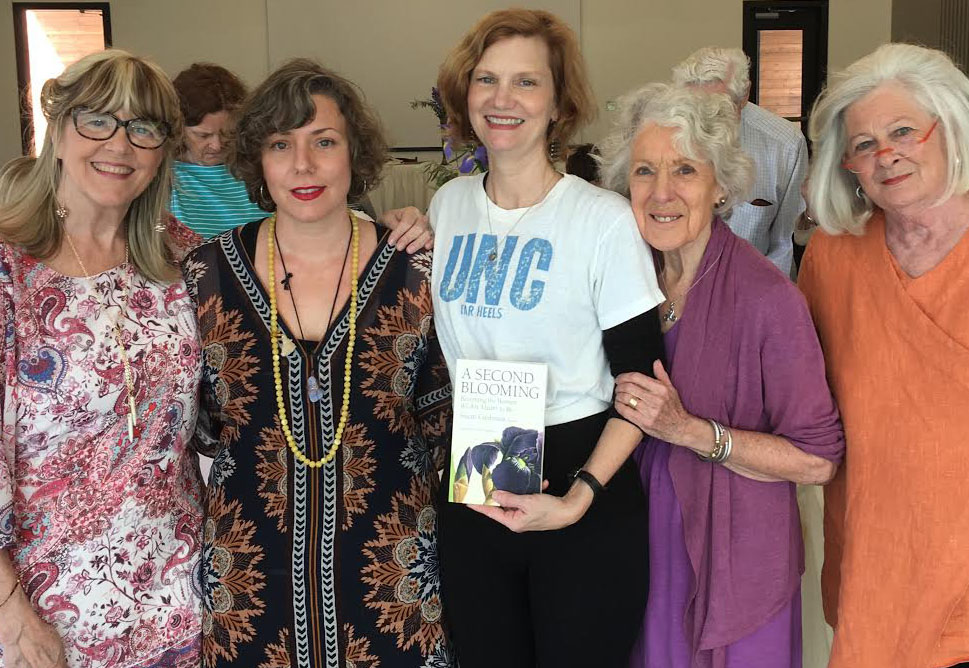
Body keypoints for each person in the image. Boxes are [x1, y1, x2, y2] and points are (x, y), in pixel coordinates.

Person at [184, 59, 453, 667]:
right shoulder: (204, 275)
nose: (302, 166)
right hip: (249, 588)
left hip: (393, 585)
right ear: (257, 160)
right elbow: (196, 425)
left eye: (323, 142)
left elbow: (444, 421)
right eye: (281, 145)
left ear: (354, 154)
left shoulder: (417, 271)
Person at [428, 9, 664, 667]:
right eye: (487, 80)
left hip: (580, 482)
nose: (503, 100)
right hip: (477, 473)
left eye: (526, 83)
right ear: (465, 94)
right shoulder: (447, 208)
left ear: (558, 103)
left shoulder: (601, 221)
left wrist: (577, 497)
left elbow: (643, 388)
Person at [599, 83, 844, 668]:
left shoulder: (768, 300)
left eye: (685, 170)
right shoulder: (619, 282)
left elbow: (817, 459)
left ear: (721, 186)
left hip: (734, 557)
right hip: (638, 547)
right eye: (643, 171)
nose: (661, 193)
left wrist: (688, 430)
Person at [798, 43, 969, 668]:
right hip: (879, 569)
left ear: (949, 127)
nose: (886, 155)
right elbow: (802, 404)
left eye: (902, 131)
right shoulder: (833, 259)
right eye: (863, 145)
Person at [0, 50, 203, 667]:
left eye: (144, 127)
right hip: (44, 615)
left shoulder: (181, 258)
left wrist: (393, 230)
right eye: (97, 119)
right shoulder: (10, 272)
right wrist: (12, 619)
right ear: (58, 130)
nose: (120, 143)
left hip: (181, 599)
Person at [673, 47, 808, 276]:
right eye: (694, 109)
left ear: (744, 95)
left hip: (755, 282)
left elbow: (785, 242)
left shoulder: (784, 145)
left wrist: (760, 299)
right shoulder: (667, 135)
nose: (705, 122)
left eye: (718, 109)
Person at [170, 63, 265, 239]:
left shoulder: (254, 169)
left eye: (228, 133)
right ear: (178, 129)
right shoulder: (164, 179)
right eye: (203, 136)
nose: (217, 145)